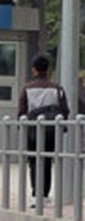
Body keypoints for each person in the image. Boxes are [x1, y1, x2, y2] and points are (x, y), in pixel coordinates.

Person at [17, 54, 69, 209]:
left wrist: (21, 125)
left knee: (34, 162)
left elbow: (22, 110)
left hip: (33, 131)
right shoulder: (57, 89)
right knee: (47, 162)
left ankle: (36, 195)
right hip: (52, 130)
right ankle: (45, 195)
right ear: (48, 70)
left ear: (34, 70)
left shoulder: (27, 88)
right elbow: (65, 109)